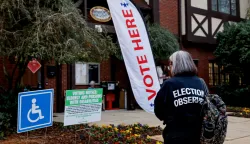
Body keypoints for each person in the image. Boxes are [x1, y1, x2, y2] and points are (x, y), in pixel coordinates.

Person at [154, 50, 208, 144]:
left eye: (170, 64)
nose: (169, 67)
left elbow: (158, 110)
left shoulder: (169, 84)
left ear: (175, 64)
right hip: (198, 134)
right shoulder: (201, 83)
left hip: (175, 134)